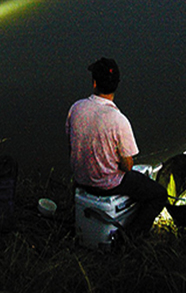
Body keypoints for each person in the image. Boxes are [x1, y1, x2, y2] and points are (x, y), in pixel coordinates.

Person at [66, 57, 167, 234]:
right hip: (107, 185)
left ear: (94, 83)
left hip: (80, 179)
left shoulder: (76, 108)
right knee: (159, 195)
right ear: (116, 85)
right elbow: (127, 166)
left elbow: (71, 143)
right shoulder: (119, 120)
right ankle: (131, 237)